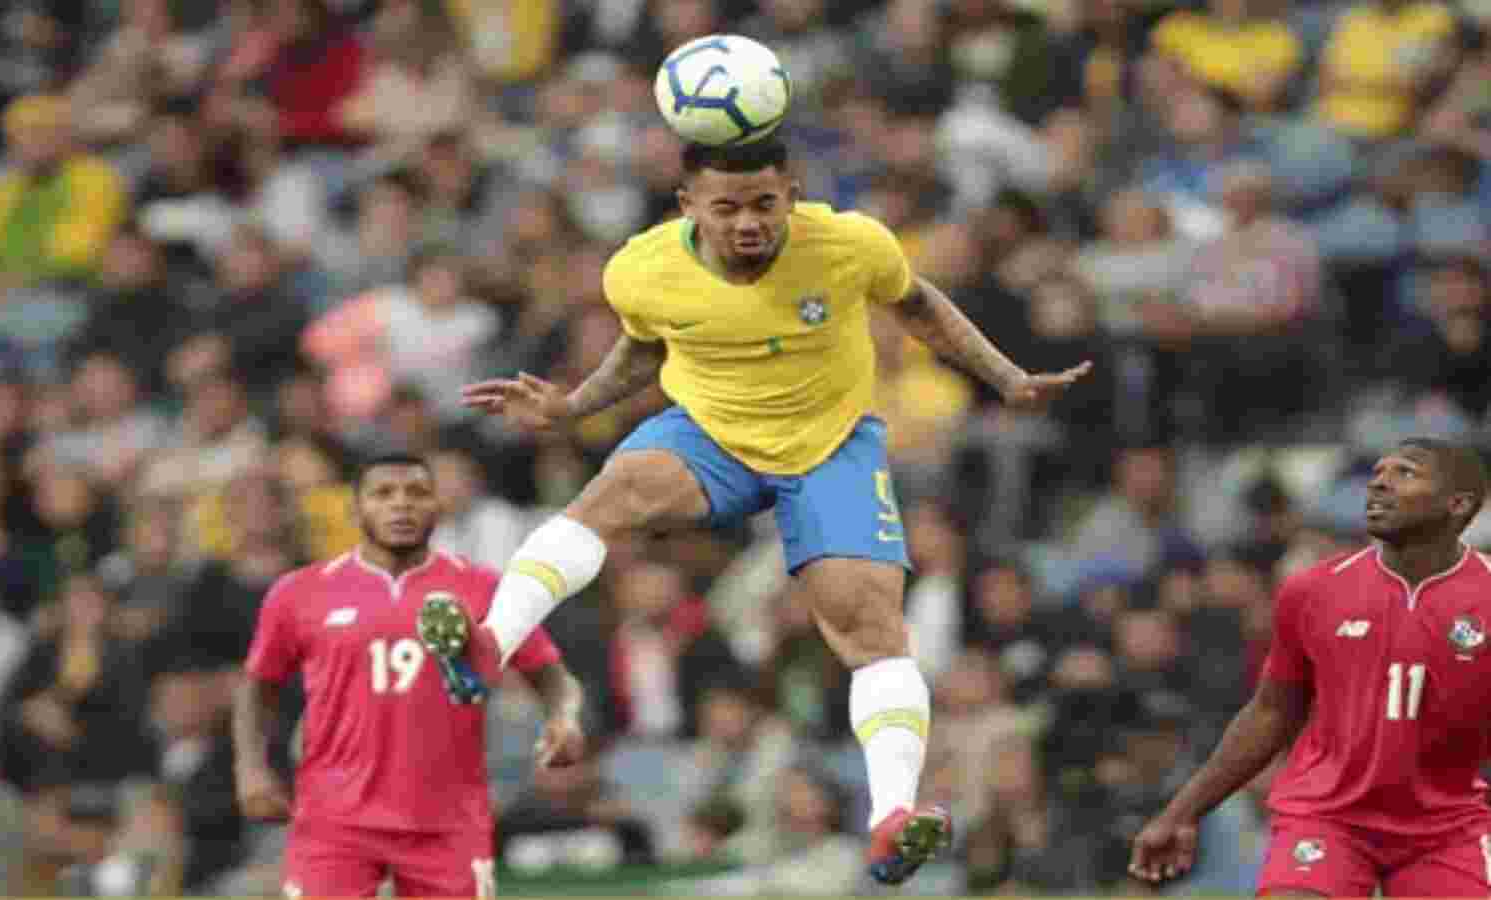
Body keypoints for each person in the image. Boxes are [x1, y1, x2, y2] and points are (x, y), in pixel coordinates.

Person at [449, 136, 1091, 885]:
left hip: (829, 447)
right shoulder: (641, 268)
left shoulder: (848, 245)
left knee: (873, 626)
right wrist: (574, 405)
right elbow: (644, 344)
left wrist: (1004, 376)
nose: (748, 222)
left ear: (792, 194)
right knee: (608, 497)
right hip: (712, 433)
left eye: (764, 204)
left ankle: (891, 817)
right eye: (726, 208)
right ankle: (489, 645)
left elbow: (918, 305)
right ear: (689, 206)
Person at [1130, 438, 1491, 897]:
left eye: (1405, 472)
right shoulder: (1314, 590)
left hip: (1448, 827)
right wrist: (1182, 812)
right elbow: (1270, 712)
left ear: (1458, 504)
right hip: (1327, 817)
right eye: (1378, 472)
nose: (1379, 483)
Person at [232, 453, 586, 899]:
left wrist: (564, 718)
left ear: (437, 506)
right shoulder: (299, 592)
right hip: (334, 821)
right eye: (383, 493)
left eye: (417, 493)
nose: (401, 504)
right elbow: (258, 686)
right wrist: (250, 769)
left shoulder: (484, 587)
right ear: (354, 509)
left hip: (447, 820)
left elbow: (551, 675)